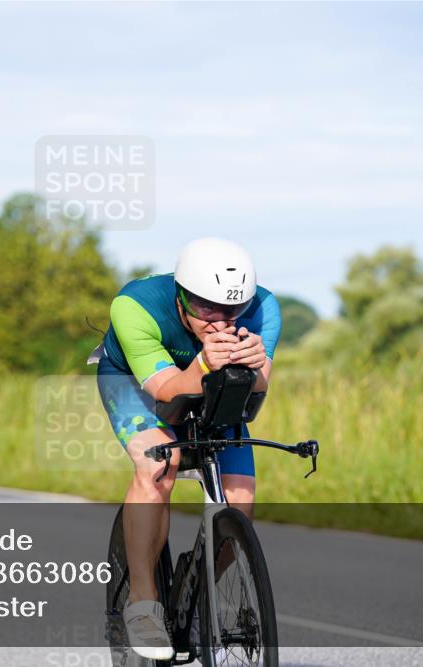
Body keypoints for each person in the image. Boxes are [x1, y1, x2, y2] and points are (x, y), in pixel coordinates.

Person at [92, 238, 281, 660]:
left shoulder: (265, 307)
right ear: (181, 295)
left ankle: (203, 603)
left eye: (231, 311)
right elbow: (166, 393)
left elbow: (259, 391)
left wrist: (254, 367)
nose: (219, 321)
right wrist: (203, 364)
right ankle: (142, 601)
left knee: (240, 501)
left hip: (214, 383)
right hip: (135, 384)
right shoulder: (134, 305)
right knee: (160, 463)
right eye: (205, 308)